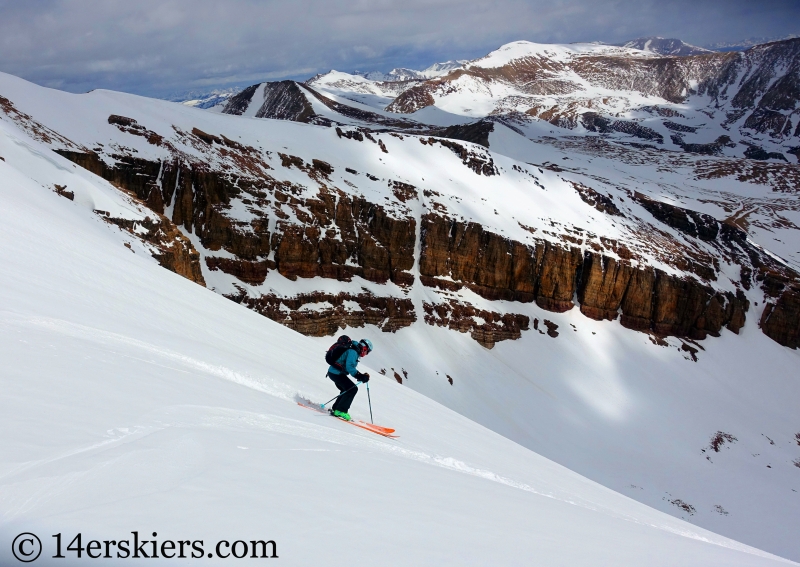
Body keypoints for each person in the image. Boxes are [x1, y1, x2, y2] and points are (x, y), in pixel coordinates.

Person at [327, 338, 373, 421]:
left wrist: (360, 375)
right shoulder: (353, 352)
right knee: (352, 389)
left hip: (334, 372)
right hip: (336, 373)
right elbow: (350, 367)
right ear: (364, 348)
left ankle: (336, 409)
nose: (366, 354)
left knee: (346, 389)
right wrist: (359, 376)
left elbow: (349, 366)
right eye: (367, 352)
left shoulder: (353, 350)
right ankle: (341, 411)